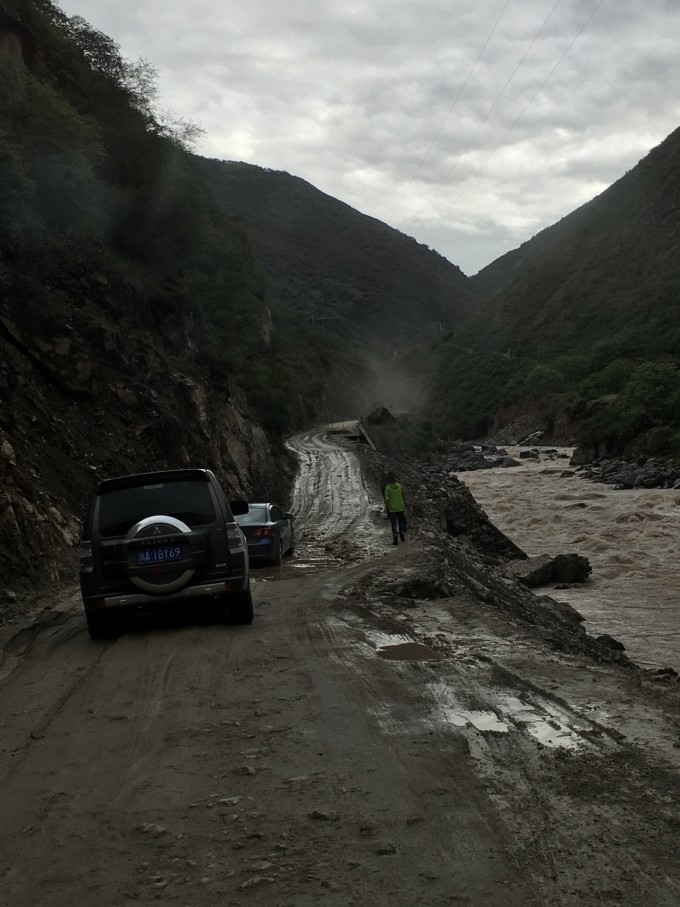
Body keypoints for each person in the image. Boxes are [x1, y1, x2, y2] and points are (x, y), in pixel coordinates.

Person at [383, 472, 406, 546]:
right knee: (401, 522)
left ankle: (395, 538)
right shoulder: (399, 486)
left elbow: (387, 499)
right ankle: (402, 535)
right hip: (400, 507)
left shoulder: (388, 488)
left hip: (392, 509)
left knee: (393, 524)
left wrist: (387, 508)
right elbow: (403, 496)